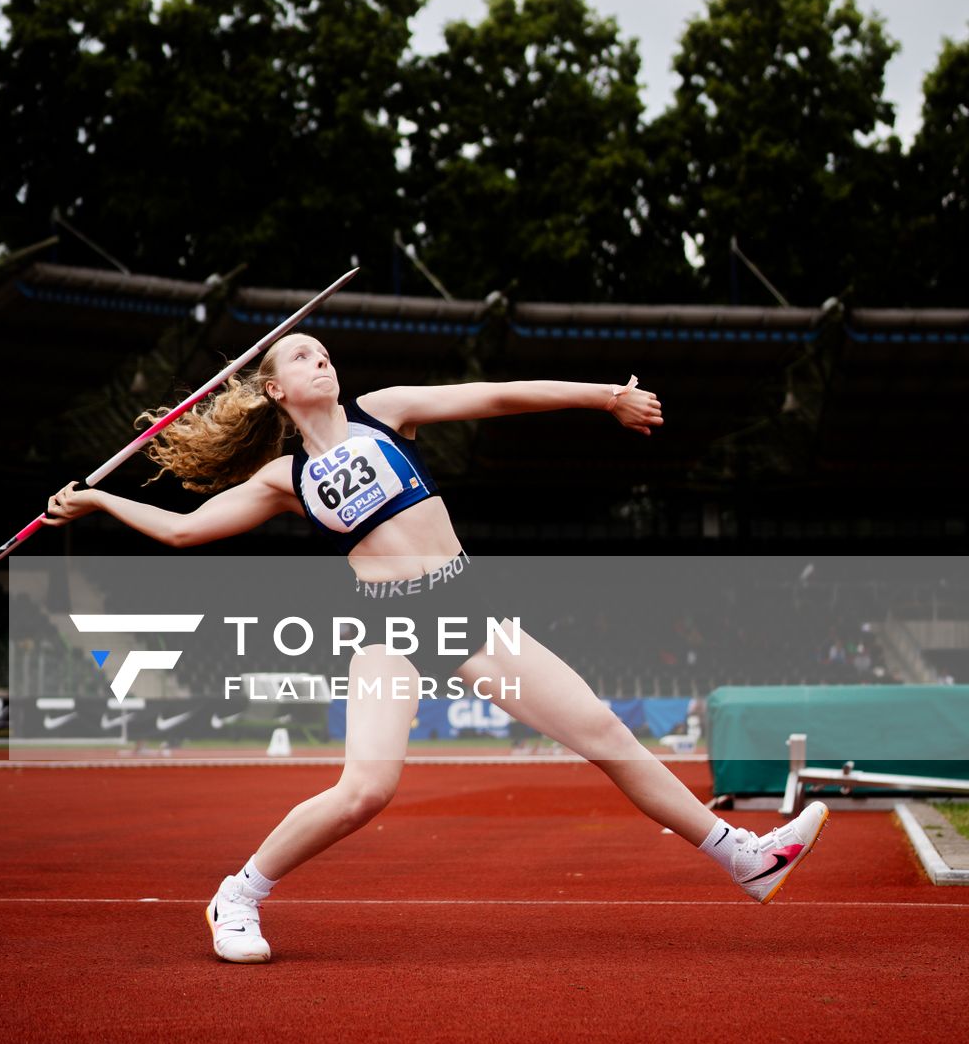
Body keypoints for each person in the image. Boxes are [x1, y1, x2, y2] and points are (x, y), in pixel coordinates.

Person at [45, 335, 828, 963]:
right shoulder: (284, 477)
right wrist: (97, 500)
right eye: (302, 356)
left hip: (464, 611)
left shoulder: (383, 413)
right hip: (388, 630)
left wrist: (606, 398)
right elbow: (183, 530)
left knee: (606, 734)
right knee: (365, 792)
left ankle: (744, 858)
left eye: (324, 352)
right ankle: (239, 895)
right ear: (276, 390)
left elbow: (492, 396)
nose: (323, 359)